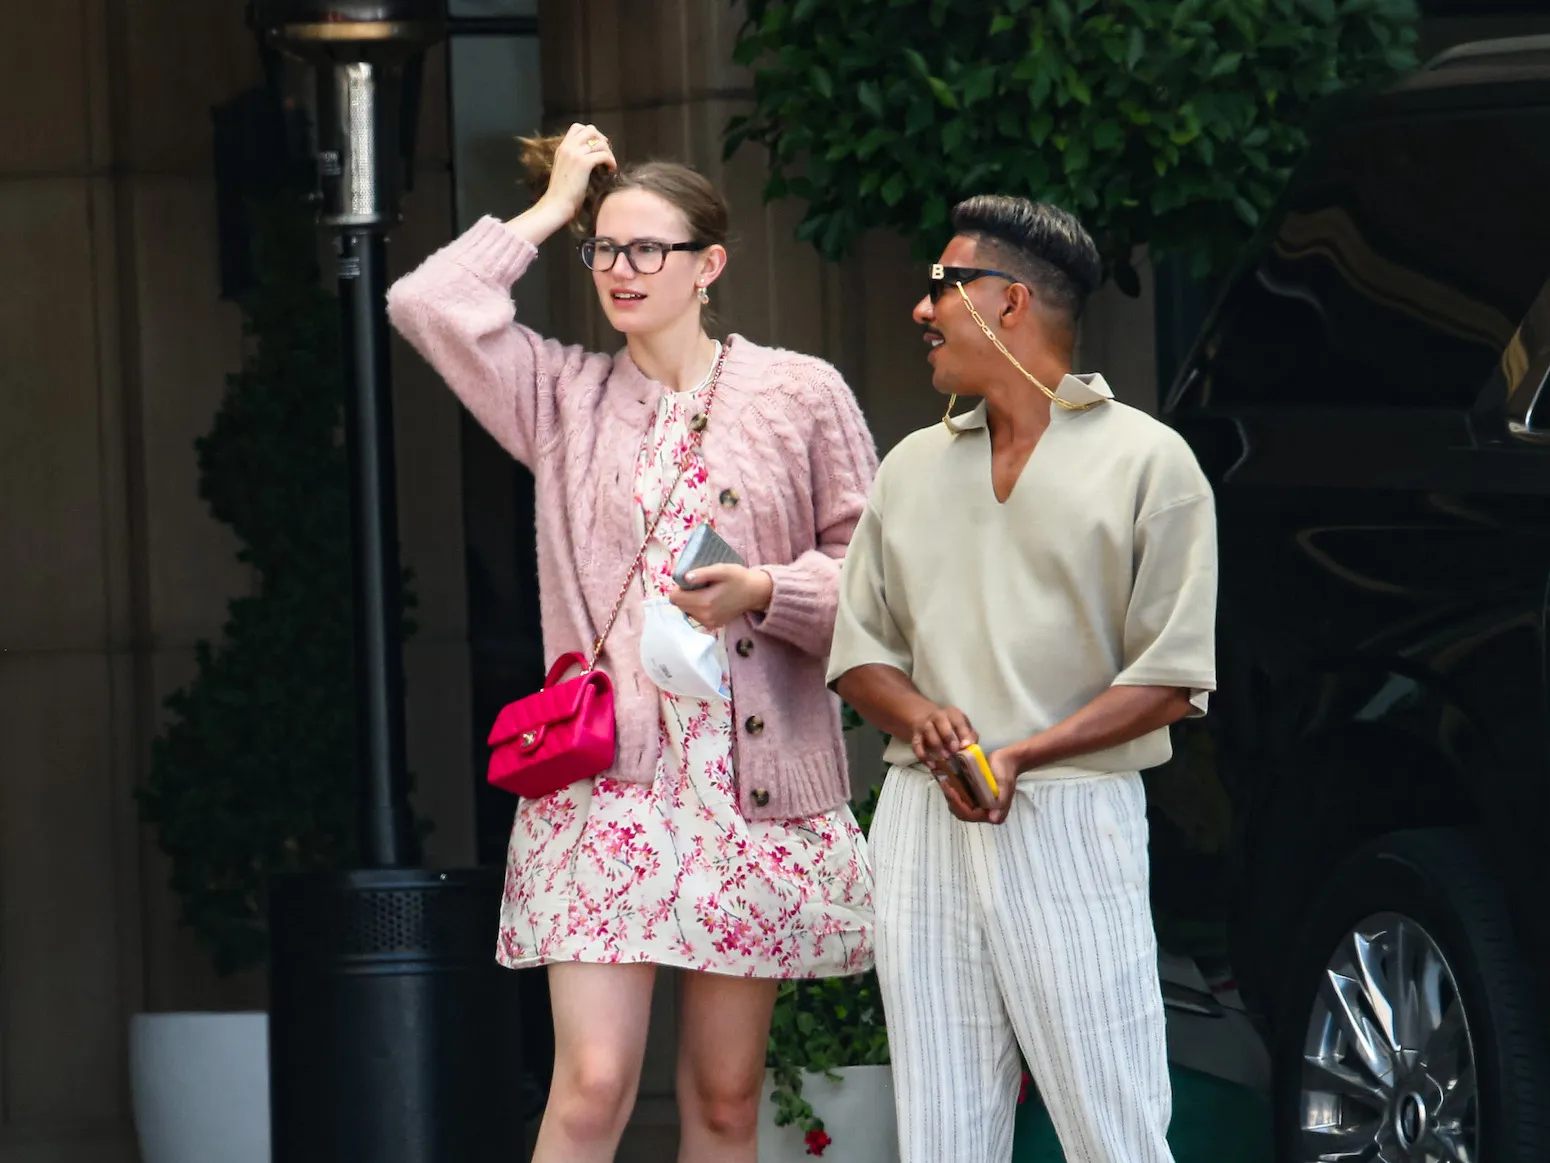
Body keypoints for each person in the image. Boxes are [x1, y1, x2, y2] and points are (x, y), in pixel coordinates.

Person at [386, 122, 878, 1163]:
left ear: (709, 264)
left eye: (646, 248)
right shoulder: (562, 395)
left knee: (725, 1093)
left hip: (747, 784)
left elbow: (876, 576)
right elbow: (425, 304)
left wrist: (765, 589)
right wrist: (553, 203)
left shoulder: (798, 394)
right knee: (590, 1087)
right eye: (603, 248)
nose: (620, 269)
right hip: (609, 778)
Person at [828, 194, 1217, 1163]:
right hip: (921, 819)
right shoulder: (910, 466)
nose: (920, 310)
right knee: (942, 1132)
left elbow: (1170, 675)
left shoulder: (1148, 461)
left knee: (1111, 1125)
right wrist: (919, 718)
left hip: (1068, 810)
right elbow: (858, 649)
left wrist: (1019, 753)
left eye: (940, 287)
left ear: (1006, 302)